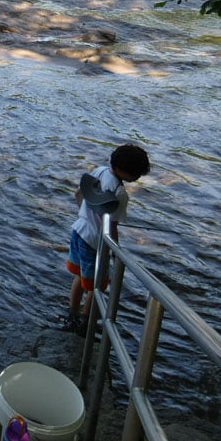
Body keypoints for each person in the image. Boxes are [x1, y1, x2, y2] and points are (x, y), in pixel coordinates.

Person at [59, 143, 150, 335]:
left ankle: (72, 315)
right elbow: (112, 227)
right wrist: (115, 251)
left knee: (79, 276)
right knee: (96, 286)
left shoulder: (99, 171)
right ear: (124, 172)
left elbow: (78, 194)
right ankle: (85, 323)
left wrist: (85, 215)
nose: (137, 178)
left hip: (78, 231)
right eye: (136, 174)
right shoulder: (119, 193)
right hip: (94, 243)